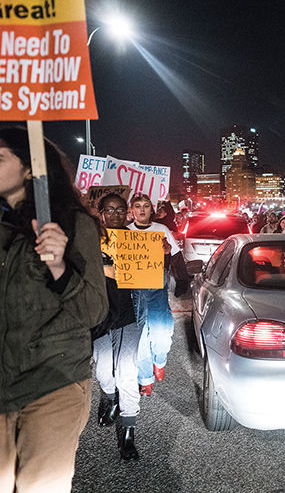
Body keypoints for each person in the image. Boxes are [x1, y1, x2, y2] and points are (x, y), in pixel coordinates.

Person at [0, 127, 108, 491]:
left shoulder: (74, 225)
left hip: (53, 383)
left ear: (30, 169)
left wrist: (60, 267)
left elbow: (94, 311)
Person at [93, 193, 143, 460]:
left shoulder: (136, 241)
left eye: (120, 210)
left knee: (127, 373)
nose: (114, 214)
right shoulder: (91, 238)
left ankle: (128, 434)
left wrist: (163, 256)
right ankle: (109, 397)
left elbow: (144, 273)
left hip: (126, 315)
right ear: (101, 213)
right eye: (109, 210)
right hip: (99, 315)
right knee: (103, 371)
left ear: (128, 213)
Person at [128, 194, 189, 396]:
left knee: (161, 332)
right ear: (132, 210)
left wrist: (167, 255)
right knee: (140, 335)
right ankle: (145, 378)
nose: (142, 209)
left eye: (146, 206)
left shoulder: (161, 230)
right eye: (138, 206)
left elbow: (175, 258)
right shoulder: (125, 232)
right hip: (134, 290)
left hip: (157, 288)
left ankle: (159, 359)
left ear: (151, 209)